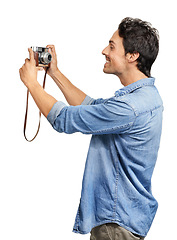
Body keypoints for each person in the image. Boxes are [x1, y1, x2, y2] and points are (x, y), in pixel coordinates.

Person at [19, 17, 163, 240]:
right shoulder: (146, 97)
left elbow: (63, 120)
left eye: (112, 46)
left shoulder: (129, 108)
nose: (104, 51)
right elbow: (92, 108)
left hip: (115, 225)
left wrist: (32, 84)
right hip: (124, 219)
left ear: (132, 56)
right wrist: (55, 73)